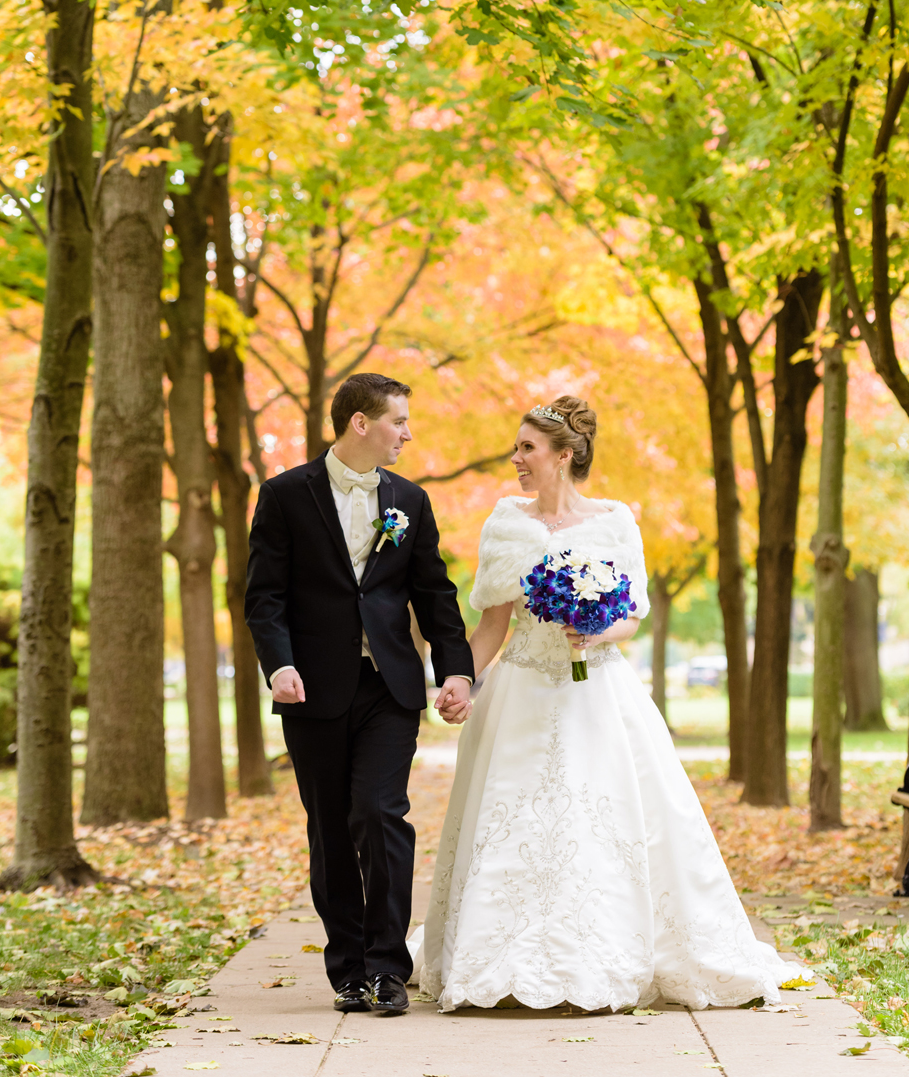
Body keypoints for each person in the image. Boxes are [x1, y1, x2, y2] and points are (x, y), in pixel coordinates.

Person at [411, 395, 802, 1011]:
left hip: (599, 696)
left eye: (527, 449)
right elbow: (490, 624)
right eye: (516, 448)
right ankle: (503, 957)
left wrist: (593, 630)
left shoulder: (616, 521)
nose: (516, 459)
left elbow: (632, 619)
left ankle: (598, 955)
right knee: (515, 826)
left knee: (600, 822)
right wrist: (457, 679)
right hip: (521, 691)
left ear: (564, 456)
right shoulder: (505, 522)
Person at [244, 373, 476, 1017]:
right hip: (310, 690)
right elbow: (264, 596)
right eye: (399, 420)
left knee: (380, 813)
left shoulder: (410, 500)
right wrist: (278, 665)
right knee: (330, 830)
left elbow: (435, 594)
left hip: (389, 687)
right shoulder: (285, 495)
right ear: (360, 424)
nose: (408, 432)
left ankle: (387, 969)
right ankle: (347, 969)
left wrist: (455, 672)